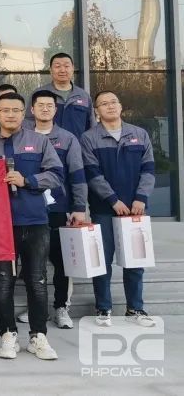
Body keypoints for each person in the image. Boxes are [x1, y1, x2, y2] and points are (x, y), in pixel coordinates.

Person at [0, 92, 62, 361]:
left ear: (24, 113)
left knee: (37, 280)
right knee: (3, 282)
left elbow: (56, 175)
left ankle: (38, 336)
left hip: (35, 221)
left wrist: (28, 181)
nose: (11, 115)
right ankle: (8, 333)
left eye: (16, 110)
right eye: (5, 110)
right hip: (0, 225)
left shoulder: (39, 141)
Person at [80, 91, 156, 328]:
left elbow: (148, 170)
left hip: (135, 209)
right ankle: (103, 308)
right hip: (104, 208)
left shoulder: (139, 134)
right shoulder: (89, 138)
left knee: (135, 261)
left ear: (121, 106)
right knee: (102, 260)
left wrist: (141, 198)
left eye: (114, 102)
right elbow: (92, 173)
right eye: (104, 103)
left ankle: (135, 308)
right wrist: (113, 200)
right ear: (97, 111)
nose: (110, 106)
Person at [15, 90, 87, 330]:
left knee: (61, 260)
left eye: (50, 105)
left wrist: (79, 207)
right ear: (32, 110)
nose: (45, 109)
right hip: (29, 207)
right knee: (32, 262)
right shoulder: (21, 137)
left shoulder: (67, 139)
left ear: (56, 110)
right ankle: (37, 307)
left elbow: (77, 174)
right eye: (40, 105)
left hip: (58, 208)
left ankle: (61, 306)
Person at [28, 52, 94, 138]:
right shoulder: (39, 94)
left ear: (72, 69)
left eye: (66, 66)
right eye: (57, 66)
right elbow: (28, 122)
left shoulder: (83, 95)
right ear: (50, 70)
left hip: (78, 145)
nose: (62, 70)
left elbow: (91, 126)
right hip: (45, 145)